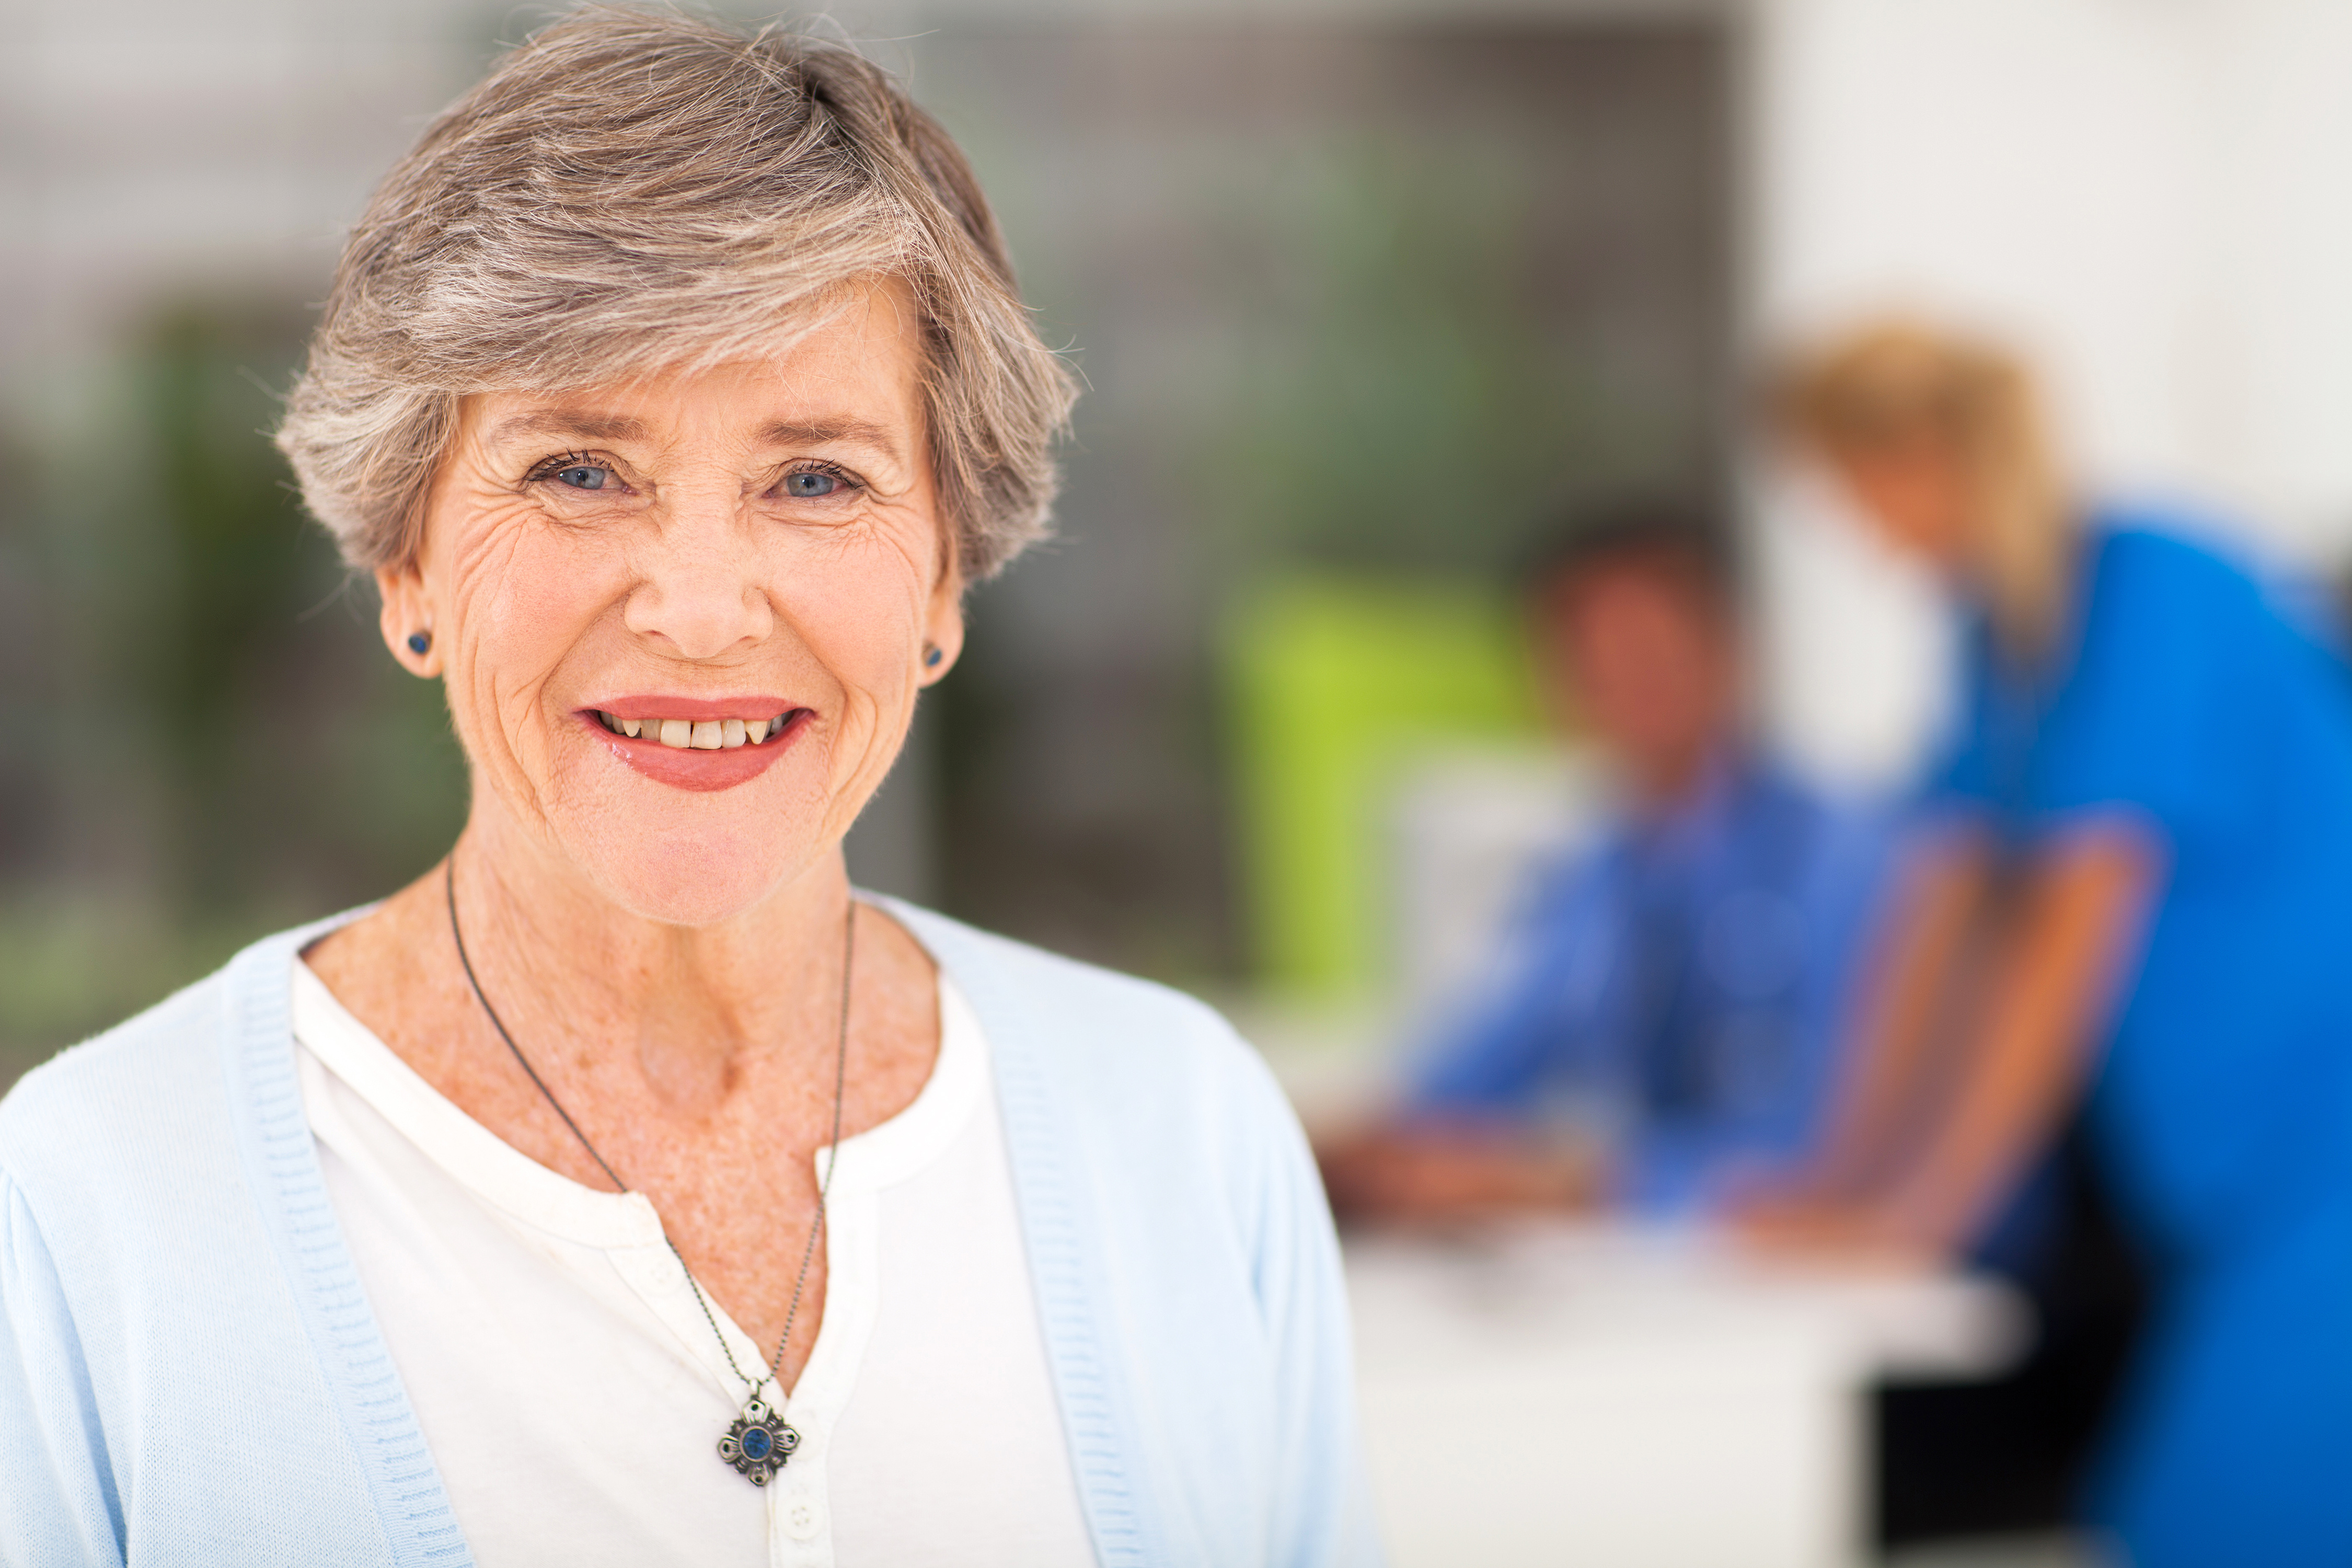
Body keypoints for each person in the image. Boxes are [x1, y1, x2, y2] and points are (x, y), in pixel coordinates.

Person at [0, 13, 1377, 1566]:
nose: (705, 611)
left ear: (944, 581)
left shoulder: (1181, 1137)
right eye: (580, 470)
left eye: (817, 479)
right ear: (405, 557)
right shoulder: (88, 1206)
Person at [1742, 320, 2352, 1567]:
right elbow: (1934, 926)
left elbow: (2063, 945)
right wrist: (1843, 1174)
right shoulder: (1996, 637)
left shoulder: (2156, 589)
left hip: (2323, 1168)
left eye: (1846, 484)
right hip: (2227, 1195)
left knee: (2203, 1524)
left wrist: (1927, 1207)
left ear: (1915, 454)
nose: (1854, 528)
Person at [1320, 500, 1892, 1224]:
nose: (1629, 684)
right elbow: (1472, 1073)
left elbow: (1833, 1143)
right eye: (1594, 659)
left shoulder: (1842, 857)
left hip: (1829, 1260)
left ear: (1731, 651)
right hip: (1674, 1276)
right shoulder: (1594, 881)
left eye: (1653, 649)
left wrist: (1579, 1185)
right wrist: (1350, 1151)